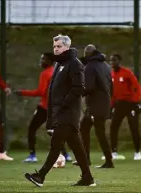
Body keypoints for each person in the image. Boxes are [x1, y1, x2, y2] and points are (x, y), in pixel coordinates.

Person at [24, 35, 95, 187]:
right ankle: (88, 178)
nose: (56, 49)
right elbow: (53, 91)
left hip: (68, 113)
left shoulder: (74, 64)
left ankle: (40, 176)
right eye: (54, 46)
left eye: (59, 46)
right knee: (76, 146)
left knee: (56, 144)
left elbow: (79, 88)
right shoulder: (59, 64)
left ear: (67, 47)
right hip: (60, 112)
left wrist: (63, 105)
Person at [14, 52, 72, 163]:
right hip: (56, 108)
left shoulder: (45, 73)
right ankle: (66, 155)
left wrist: (22, 92)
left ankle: (32, 155)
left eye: (43, 59)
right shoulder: (57, 72)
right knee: (54, 131)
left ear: (50, 61)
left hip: (45, 108)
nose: (41, 61)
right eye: (41, 59)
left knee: (32, 129)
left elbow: (40, 92)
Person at [72, 45, 114, 168]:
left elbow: (89, 86)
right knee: (84, 128)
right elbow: (111, 86)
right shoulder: (106, 66)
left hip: (96, 105)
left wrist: (77, 93)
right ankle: (86, 158)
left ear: (88, 54)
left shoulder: (90, 67)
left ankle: (108, 161)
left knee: (99, 132)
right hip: (103, 103)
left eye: (85, 53)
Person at [108, 54, 141, 160]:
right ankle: (113, 152)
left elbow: (137, 87)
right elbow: (112, 92)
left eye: (115, 60)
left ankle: (137, 152)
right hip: (118, 105)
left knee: (134, 128)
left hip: (129, 104)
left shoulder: (127, 73)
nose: (112, 62)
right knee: (113, 127)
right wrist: (111, 105)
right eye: (111, 61)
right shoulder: (111, 75)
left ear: (119, 61)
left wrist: (136, 101)